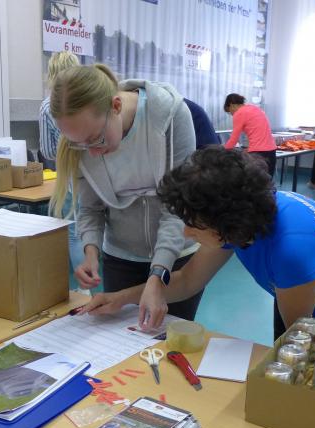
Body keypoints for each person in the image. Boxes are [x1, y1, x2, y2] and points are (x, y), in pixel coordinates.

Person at [82, 146, 315, 339]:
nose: (186, 233)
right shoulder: (244, 218)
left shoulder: (291, 251)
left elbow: (298, 338)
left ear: (226, 222)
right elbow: (188, 280)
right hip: (300, 290)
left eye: (193, 225)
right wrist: (121, 298)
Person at [49, 64, 203, 323]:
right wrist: (90, 252)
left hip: (177, 256)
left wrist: (158, 276)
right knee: (121, 341)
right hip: (121, 257)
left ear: (116, 106)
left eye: (96, 139)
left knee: (169, 338)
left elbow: (177, 208)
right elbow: (90, 207)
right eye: (80, 145)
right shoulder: (83, 138)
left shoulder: (170, 116)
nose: (92, 152)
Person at [38, 51, 84, 270]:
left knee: (74, 233)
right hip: (97, 174)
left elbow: (47, 151)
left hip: (69, 177)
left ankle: (84, 284)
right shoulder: (88, 101)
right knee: (97, 229)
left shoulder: (48, 106)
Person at [222, 93, 277, 177]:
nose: (232, 114)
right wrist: (248, 149)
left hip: (258, 154)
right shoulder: (255, 109)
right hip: (271, 150)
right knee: (268, 181)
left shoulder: (239, 113)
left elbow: (234, 138)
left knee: (254, 182)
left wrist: (222, 152)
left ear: (231, 105)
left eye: (230, 111)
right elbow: (259, 133)